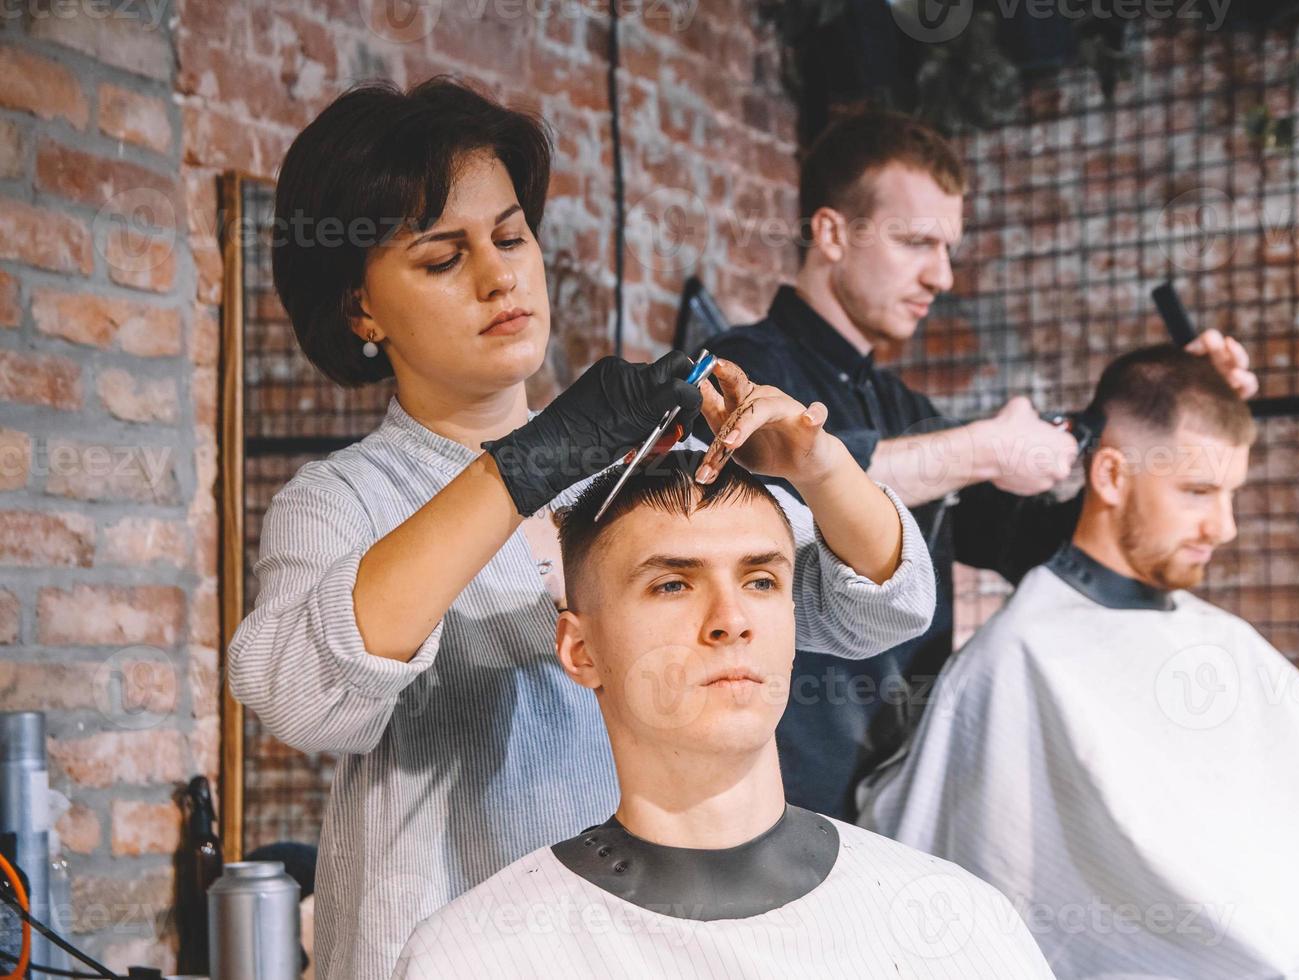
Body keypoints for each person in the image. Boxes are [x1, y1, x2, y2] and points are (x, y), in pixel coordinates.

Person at [228, 78, 937, 980]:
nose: (499, 277)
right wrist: (529, 461)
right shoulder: (344, 500)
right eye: (443, 259)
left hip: (641, 946)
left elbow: (885, 604)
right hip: (440, 944)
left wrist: (818, 465)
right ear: (361, 309)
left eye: (511, 235)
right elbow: (299, 694)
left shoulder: (638, 479)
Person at [701, 108, 1262, 820]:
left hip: (898, 797)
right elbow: (785, 486)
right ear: (832, 233)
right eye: (915, 243)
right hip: (780, 794)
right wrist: (981, 450)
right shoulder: (737, 374)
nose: (942, 275)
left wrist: (1154, 406)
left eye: (949, 247)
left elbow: (1032, 544)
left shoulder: (904, 407)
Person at [857, 345, 1299, 978]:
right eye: (1199, 492)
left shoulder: (1216, 636)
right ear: (1113, 477)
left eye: (1230, 493)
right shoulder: (1023, 658)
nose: (1224, 527)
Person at [391, 453, 1055, 979]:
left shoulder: (953, 921)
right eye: (673, 584)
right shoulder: (477, 957)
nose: (731, 620)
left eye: (760, 581)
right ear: (581, 650)